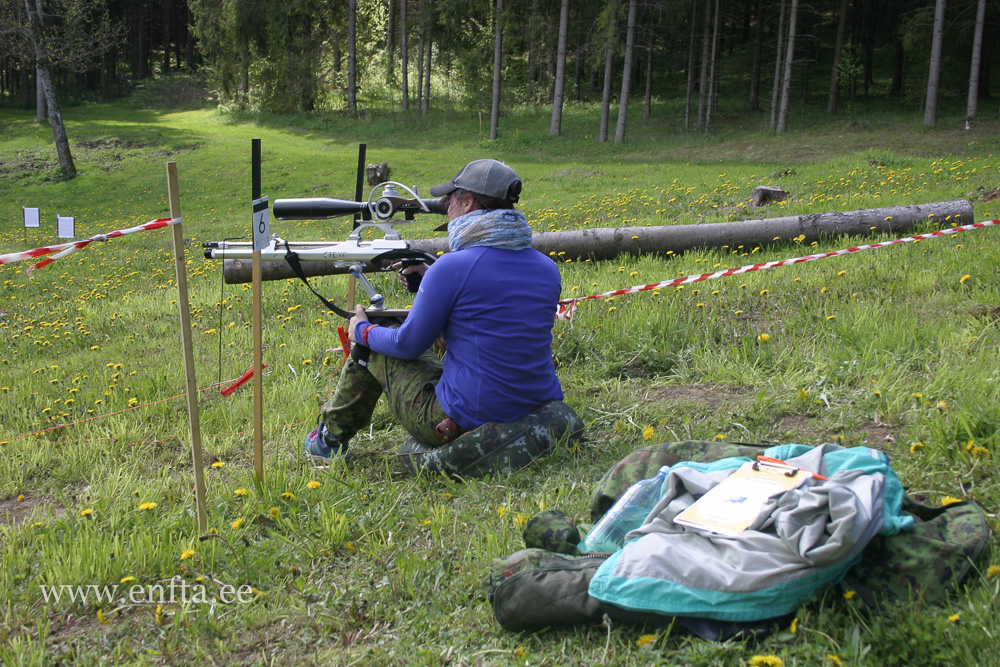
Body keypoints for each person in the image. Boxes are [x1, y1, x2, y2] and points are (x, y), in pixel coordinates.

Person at [304, 158, 567, 464]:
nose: (445, 206)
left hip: (467, 418)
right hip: (535, 403)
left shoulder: (452, 268)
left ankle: (329, 440)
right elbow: (491, 308)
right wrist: (431, 275)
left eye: (450, 199)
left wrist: (361, 330)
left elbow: (408, 344)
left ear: (467, 203)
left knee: (376, 337)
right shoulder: (547, 268)